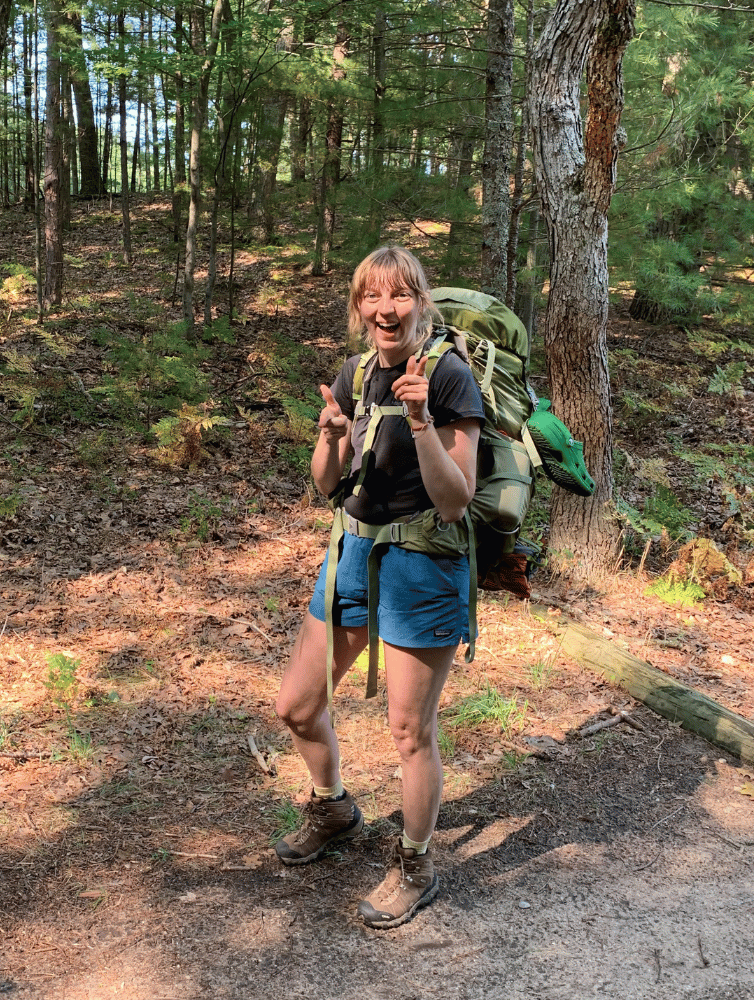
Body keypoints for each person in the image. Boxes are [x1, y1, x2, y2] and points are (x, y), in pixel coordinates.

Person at [274, 246, 484, 929]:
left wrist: (422, 422)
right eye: (373, 297)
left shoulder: (449, 377)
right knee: (298, 706)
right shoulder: (357, 372)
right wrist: (333, 436)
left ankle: (416, 862)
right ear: (360, 307)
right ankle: (333, 807)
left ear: (421, 301)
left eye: (399, 296)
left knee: (408, 731)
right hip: (353, 551)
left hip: (423, 563)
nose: (386, 310)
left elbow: (455, 500)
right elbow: (328, 483)